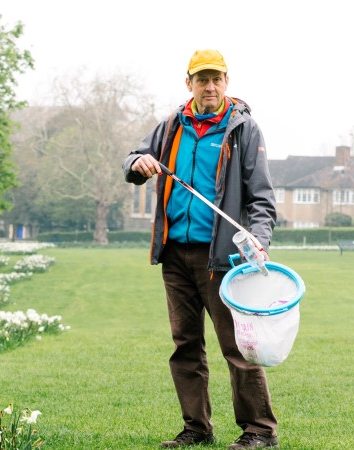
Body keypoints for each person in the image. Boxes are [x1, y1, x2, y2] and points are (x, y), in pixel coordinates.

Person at [122, 49, 279, 449]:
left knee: (237, 346)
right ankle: (197, 428)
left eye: (216, 79)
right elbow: (134, 157)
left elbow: (261, 197)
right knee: (185, 345)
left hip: (222, 260)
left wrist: (259, 239)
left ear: (227, 82)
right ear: (188, 83)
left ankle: (260, 432)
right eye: (201, 79)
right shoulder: (171, 125)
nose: (210, 86)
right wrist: (139, 161)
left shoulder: (243, 129)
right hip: (175, 255)